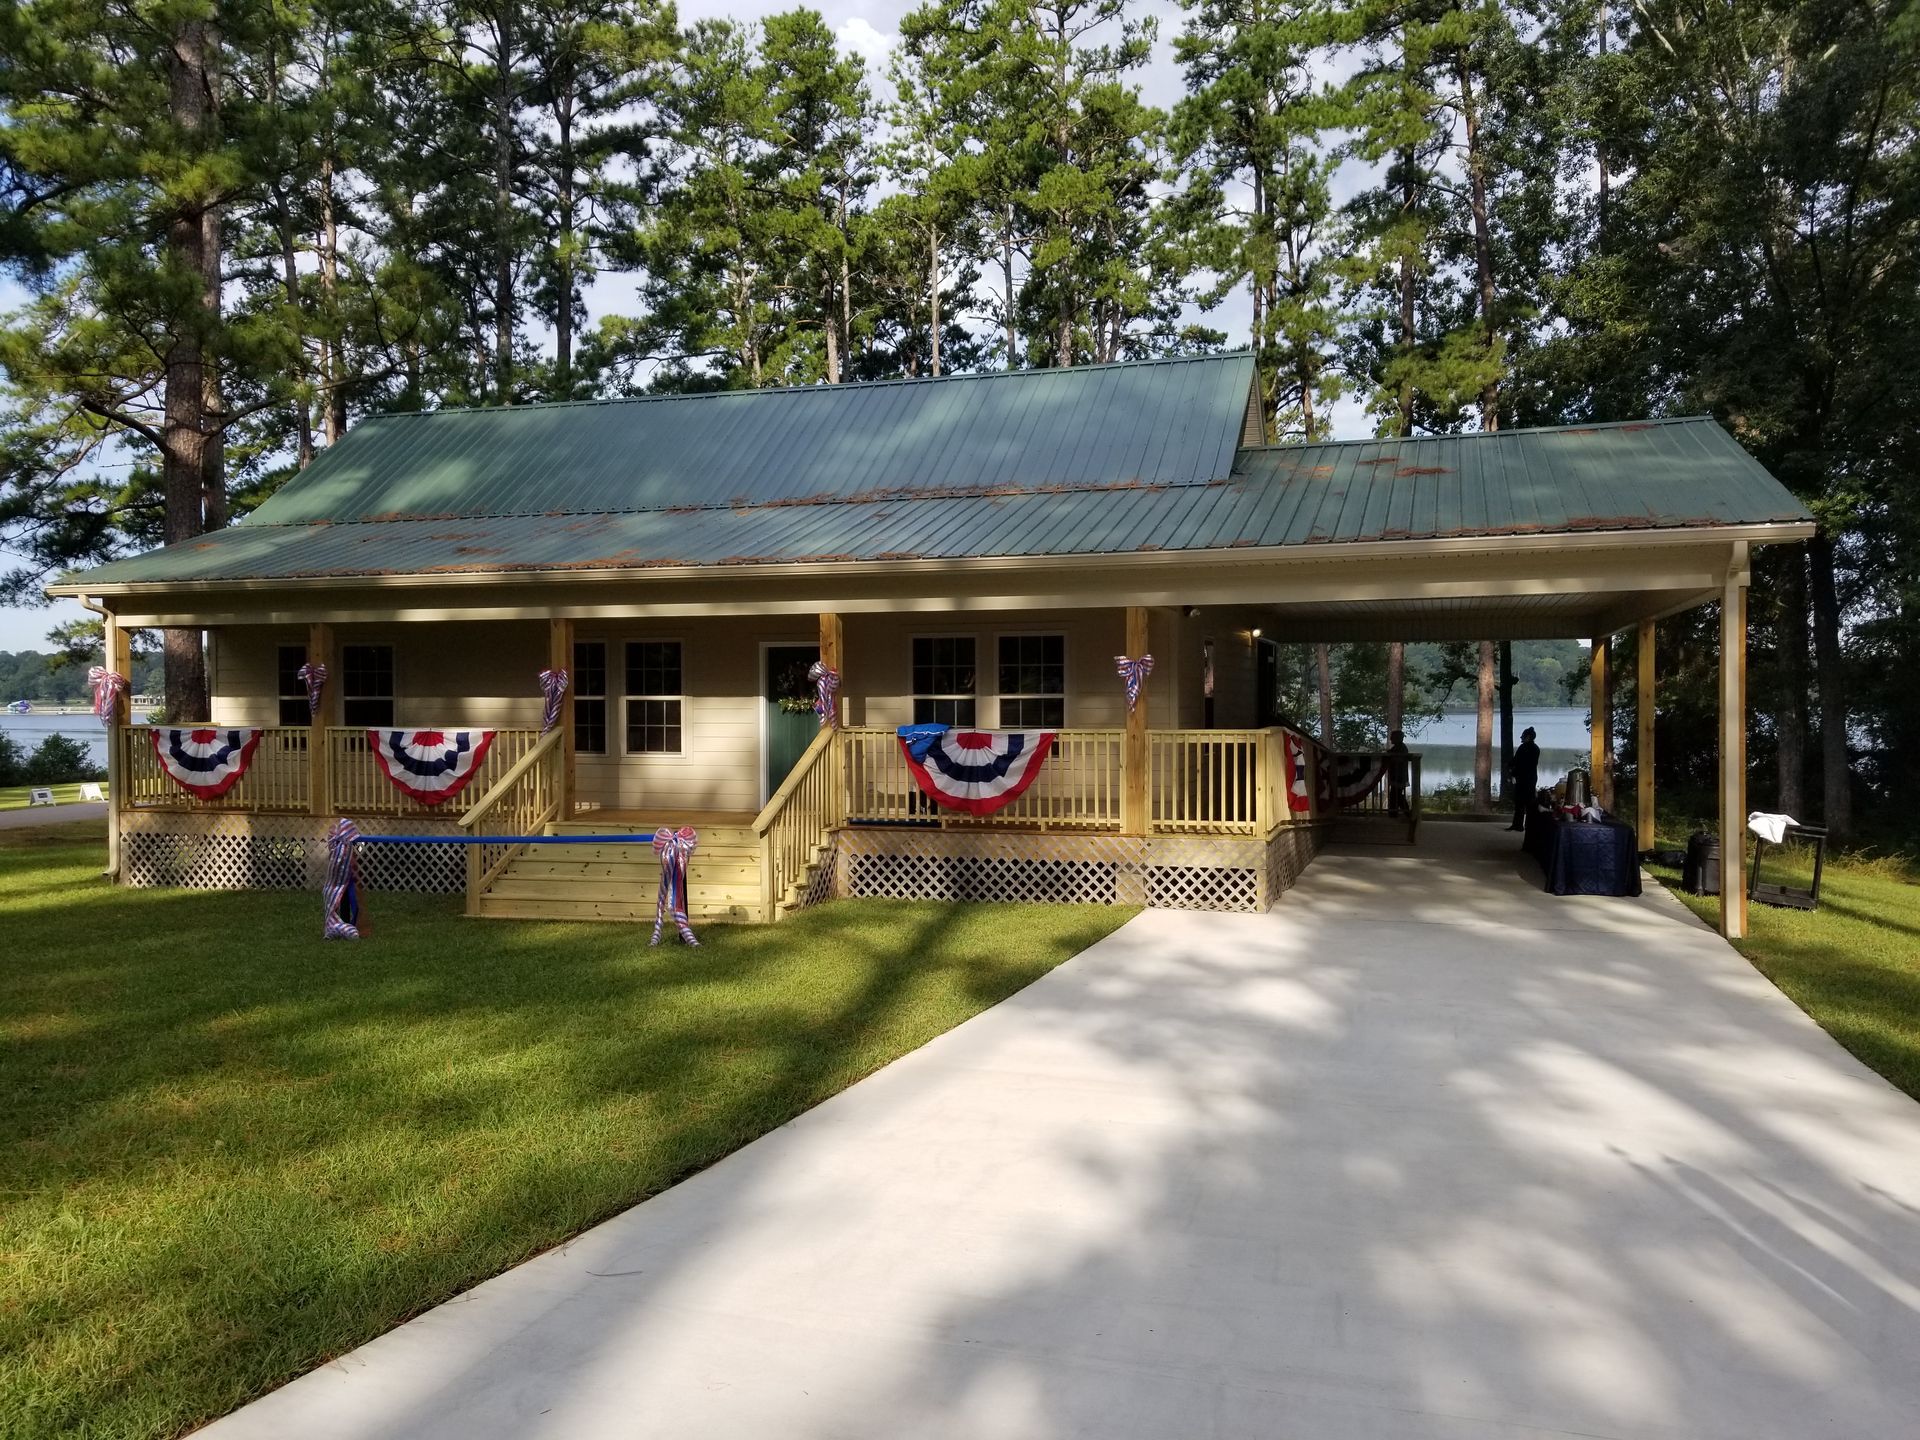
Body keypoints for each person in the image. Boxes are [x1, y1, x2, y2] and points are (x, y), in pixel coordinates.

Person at [1508, 726, 1541, 832]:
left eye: (1523, 736)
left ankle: (1518, 824)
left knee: (1520, 802)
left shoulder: (1524, 748)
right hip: (1531, 778)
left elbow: (1517, 762)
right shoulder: (1536, 748)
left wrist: (1511, 770)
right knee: (1528, 802)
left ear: (1528, 737)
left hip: (1523, 778)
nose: (1521, 738)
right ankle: (1529, 826)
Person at [1386, 729, 1411, 818]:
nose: (1390, 739)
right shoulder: (1399, 747)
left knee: (1396, 796)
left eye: (1392, 737)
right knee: (1396, 795)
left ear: (1397, 738)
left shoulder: (1401, 748)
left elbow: (1397, 758)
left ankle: (1405, 814)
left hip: (1399, 776)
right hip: (1398, 776)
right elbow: (1390, 753)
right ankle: (1395, 814)